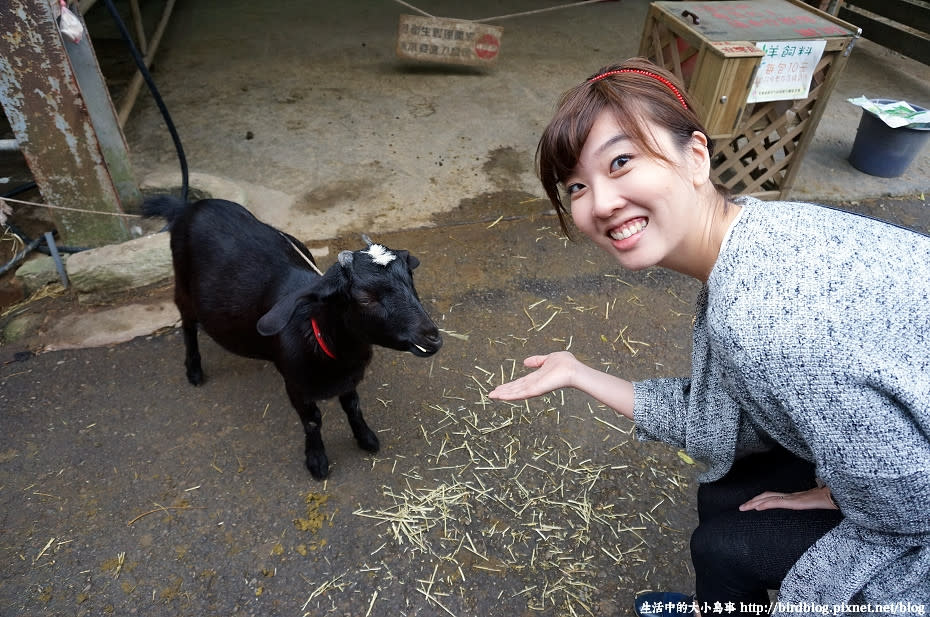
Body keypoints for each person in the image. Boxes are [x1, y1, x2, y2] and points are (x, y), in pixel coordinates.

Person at [488, 57, 930, 615]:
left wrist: (839, 494)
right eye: (576, 185)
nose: (600, 203)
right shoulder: (758, 229)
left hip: (913, 519)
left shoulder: (764, 317)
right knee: (727, 492)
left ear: (695, 156)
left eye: (620, 161)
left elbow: (908, 503)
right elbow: (725, 416)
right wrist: (579, 373)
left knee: (722, 542)